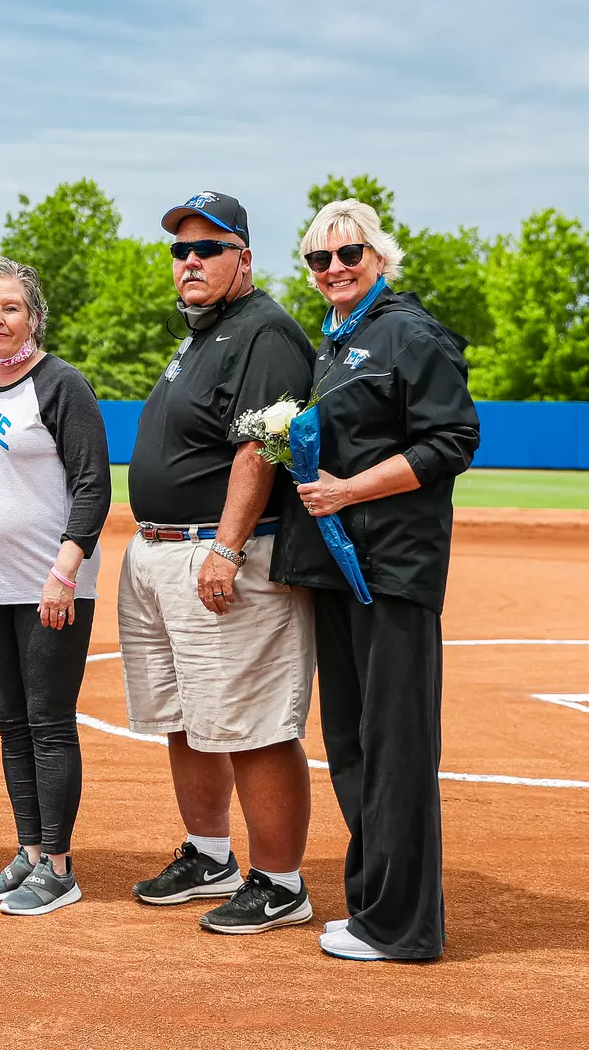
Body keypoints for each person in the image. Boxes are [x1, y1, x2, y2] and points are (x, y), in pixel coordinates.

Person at [274, 199, 478, 962]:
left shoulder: (409, 332)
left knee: (395, 746)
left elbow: (453, 440)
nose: (334, 269)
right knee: (354, 742)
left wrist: (350, 491)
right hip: (339, 570)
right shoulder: (336, 343)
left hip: (391, 570)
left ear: (379, 257)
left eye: (348, 254)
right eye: (319, 260)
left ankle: (406, 927)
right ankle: (372, 908)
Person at [120, 192, 320, 934]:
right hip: (164, 551)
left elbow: (258, 448)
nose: (191, 260)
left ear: (244, 258)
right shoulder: (206, 333)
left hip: (222, 554)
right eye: (181, 249)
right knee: (188, 716)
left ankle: (282, 882)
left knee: (253, 722)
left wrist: (227, 549)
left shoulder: (263, 331)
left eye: (209, 247)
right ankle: (211, 855)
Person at [0, 257, 111, 916]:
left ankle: (59, 863)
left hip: (49, 584)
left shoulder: (60, 384)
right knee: (14, 726)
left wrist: (64, 571)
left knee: (48, 725)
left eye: (10, 307)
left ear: (34, 317)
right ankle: (28, 851)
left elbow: (93, 483)